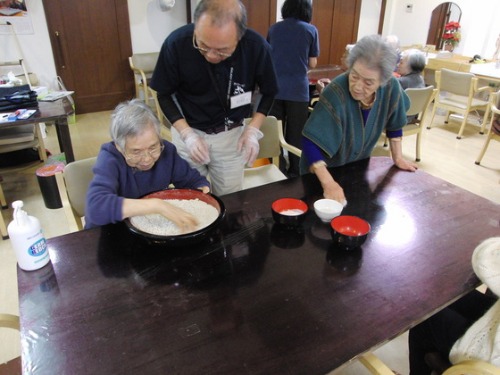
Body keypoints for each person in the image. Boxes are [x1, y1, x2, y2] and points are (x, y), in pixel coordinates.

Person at [150, 0, 278, 196]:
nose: (210, 55)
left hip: (231, 137)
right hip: (188, 133)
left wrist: (253, 129)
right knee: (192, 197)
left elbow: (269, 91)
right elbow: (164, 94)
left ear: (240, 36)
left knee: (230, 199)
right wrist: (187, 135)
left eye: (222, 50)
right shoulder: (176, 44)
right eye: (202, 45)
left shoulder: (256, 47)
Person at [300, 34, 418, 204]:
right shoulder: (336, 92)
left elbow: (395, 119)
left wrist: (397, 157)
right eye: (354, 76)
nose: (357, 86)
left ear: (383, 81)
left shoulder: (391, 86)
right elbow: (310, 141)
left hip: (357, 168)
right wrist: (328, 183)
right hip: (322, 172)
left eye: (368, 83)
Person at [85, 99, 210, 232]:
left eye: (153, 147)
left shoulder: (167, 151)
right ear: (119, 147)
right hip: (113, 233)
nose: (147, 159)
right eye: (136, 151)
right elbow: (95, 208)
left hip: (150, 231)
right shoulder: (110, 159)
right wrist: (156, 205)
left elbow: (193, 181)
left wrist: (201, 189)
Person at [408, 237, 500, 375]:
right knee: (445, 295)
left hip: (487, 359)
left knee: (424, 318)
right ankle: (437, 361)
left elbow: (484, 259)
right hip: (495, 319)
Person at [267, 0, 319, 177]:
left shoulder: (274, 29)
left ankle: (277, 169)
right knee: (296, 134)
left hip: (274, 88)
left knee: (274, 132)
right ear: (307, 10)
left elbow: (269, 55)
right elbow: (312, 62)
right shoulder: (310, 30)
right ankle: (295, 171)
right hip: (298, 89)